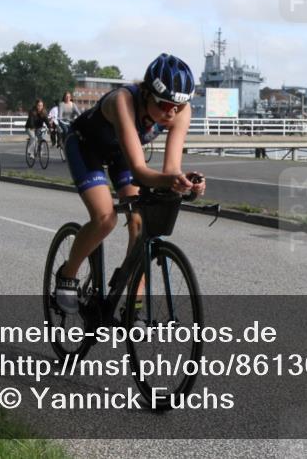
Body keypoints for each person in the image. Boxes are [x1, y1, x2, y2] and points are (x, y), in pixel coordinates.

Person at [56, 53, 206, 312]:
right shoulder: (123, 100)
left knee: (140, 223)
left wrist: (186, 182)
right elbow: (139, 170)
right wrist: (171, 180)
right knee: (106, 217)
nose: (170, 113)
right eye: (163, 104)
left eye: (177, 107)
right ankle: (67, 274)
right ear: (147, 92)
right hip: (86, 147)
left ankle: (133, 304)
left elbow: (170, 169)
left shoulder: (181, 111)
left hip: (121, 154)